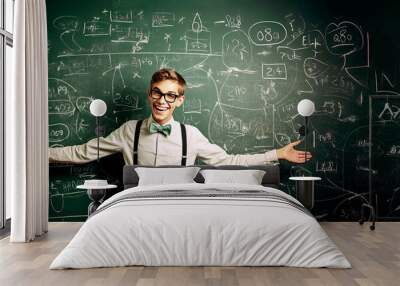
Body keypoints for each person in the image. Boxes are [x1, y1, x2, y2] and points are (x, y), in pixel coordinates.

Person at [49, 68, 311, 166]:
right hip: (138, 205)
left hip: (181, 202)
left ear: (180, 100)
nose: (163, 101)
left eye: (170, 96)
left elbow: (228, 160)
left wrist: (277, 153)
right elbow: (84, 152)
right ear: (149, 95)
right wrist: (39, 154)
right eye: (158, 93)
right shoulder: (130, 130)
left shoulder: (191, 135)